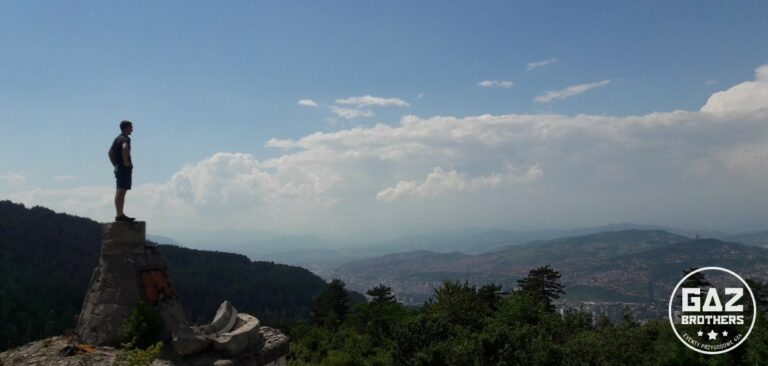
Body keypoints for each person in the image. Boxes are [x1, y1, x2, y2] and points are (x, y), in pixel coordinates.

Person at [108, 120, 136, 222]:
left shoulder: (116, 139)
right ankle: (120, 215)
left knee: (119, 191)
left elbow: (110, 153)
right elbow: (125, 148)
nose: (132, 129)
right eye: (131, 127)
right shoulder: (125, 139)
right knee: (121, 191)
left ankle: (119, 214)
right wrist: (126, 162)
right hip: (124, 168)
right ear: (126, 128)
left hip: (119, 167)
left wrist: (115, 165)